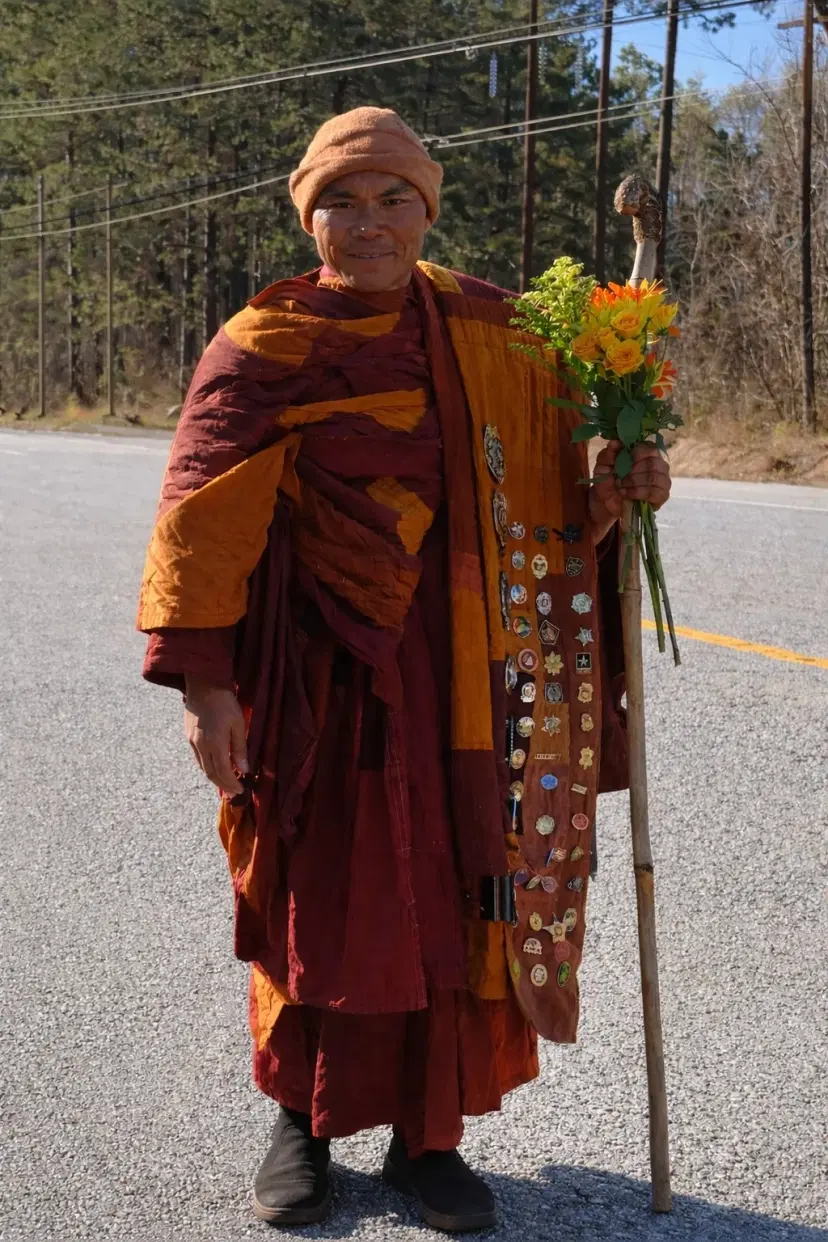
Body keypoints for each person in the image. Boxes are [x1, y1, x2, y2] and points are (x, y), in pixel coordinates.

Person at [138, 106, 671, 1232]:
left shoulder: (500, 330)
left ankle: (430, 1140)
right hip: (314, 681)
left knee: (464, 886)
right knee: (313, 897)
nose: (368, 222)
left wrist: (619, 476)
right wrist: (205, 685)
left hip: (471, 676)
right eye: (342, 199)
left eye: (394, 200)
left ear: (427, 210)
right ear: (309, 215)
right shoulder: (261, 346)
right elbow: (198, 523)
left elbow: (564, 477)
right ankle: (302, 1122)